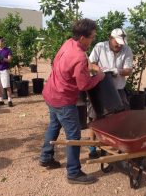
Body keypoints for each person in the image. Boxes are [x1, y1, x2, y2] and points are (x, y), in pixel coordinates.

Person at [39, 18, 105, 185]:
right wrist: (99, 76)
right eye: (92, 37)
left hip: (50, 93)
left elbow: (65, 64)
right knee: (74, 135)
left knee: (54, 125)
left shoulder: (68, 43)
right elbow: (83, 85)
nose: (93, 40)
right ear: (83, 37)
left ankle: (46, 157)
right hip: (63, 100)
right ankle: (74, 172)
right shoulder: (80, 57)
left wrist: (90, 67)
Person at [88, 28, 133, 159]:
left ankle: (116, 143)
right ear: (110, 38)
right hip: (100, 87)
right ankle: (92, 147)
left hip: (118, 88)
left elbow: (128, 70)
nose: (119, 45)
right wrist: (100, 70)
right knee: (95, 116)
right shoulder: (100, 47)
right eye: (116, 42)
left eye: (121, 43)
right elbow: (90, 63)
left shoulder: (127, 50)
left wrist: (117, 71)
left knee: (122, 115)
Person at [0, 36, 13, 107]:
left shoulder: (8, 50)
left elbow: (9, 60)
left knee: (7, 86)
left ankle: (10, 100)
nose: (0, 42)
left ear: (4, 41)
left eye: (1, 41)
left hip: (4, 70)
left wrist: (3, 58)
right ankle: (1, 100)